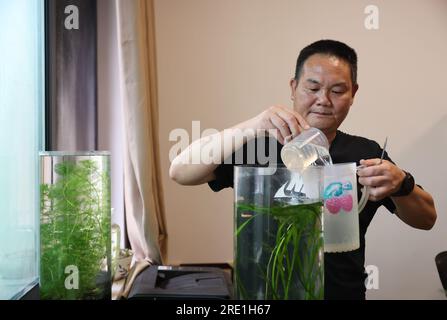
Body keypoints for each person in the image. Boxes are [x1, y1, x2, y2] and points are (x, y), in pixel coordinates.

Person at [169, 39, 437, 299]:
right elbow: (180, 171)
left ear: (353, 94)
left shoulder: (364, 153)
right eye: (313, 88)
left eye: (337, 90)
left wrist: (403, 183)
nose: (323, 100)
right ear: (293, 87)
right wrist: (252, 125)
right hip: (263, 293)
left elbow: (426, 219)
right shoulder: (259, 147)